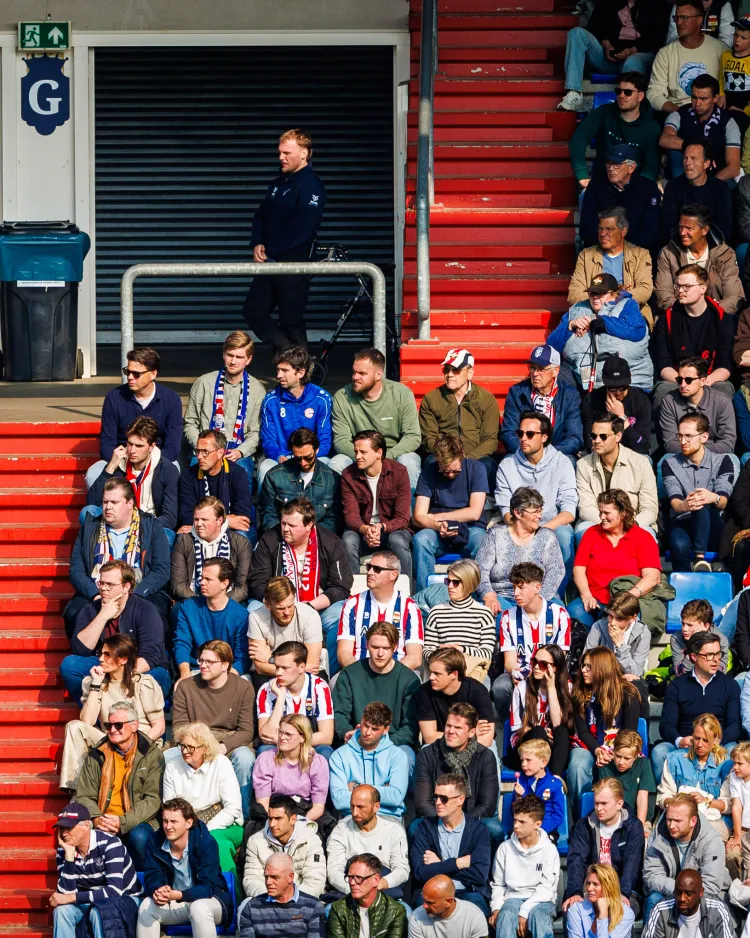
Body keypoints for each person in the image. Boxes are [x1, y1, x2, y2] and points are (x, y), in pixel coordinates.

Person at [241, 129, 326, 353]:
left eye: (287, 152)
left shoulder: (311, 186)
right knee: (253, 311)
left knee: (291, 322)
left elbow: (303, 230)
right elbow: (260, 216)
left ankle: (301, 373)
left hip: (294, 264)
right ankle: (292, 356)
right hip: (270, 263)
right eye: (280, 152)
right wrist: (257, 242)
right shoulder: (278, 184)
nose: (281, 157)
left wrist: (273, 251)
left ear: (304, 154)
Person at [65, 478, 171, 638]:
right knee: (74, 611)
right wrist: (96, 593)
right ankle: (88, 655)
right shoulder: (89, 528)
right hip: (99, 590)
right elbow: (76, 571)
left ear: (130, 503)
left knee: (155, 610)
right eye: (105, 501)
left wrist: (137, 595)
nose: (107, 507)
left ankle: (148, 658)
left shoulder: (151, 526)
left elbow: (161, 570)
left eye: (114, 502)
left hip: (139, 590)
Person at [60, 634, 165, 791]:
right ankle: (75, 790)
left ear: (123, 659)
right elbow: (86, 722)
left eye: (107, 654)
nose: (101, 659)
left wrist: (137, 746)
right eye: (101, 654)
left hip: (139, 741)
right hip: (110, 738)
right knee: (74, 726)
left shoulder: (143, 683)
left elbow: (159, 726)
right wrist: (96, 684)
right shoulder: (93, 682)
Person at [248, 496, 352, 650]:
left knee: (339, 616)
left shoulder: (330, 542)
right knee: (252, 610)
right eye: (283, 523)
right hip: (278, 604)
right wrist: (280, 604)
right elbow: (257, 581)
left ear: (309, 525)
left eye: (291, 525)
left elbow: (341, 586)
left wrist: (310, 606)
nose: (285, 529)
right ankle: (261, 667)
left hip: (317, 605)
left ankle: (333, 672)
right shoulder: (270, 539)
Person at [62, 559, 170, 702]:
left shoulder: (146, 610)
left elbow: (149, 658)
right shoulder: (90, 610)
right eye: (101, 583)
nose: (104, 588)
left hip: (137, 667)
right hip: (105, 664)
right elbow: (80, 649)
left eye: (110, 584)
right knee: (69, 666)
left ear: (126, 587)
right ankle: (95, 716)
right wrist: (102, 616)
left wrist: (117, 675)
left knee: (156, 678)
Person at [171, 639, 256, 822]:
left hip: (228, 740)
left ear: (225, 665)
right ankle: (174, 816)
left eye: (210, 662)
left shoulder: (243, 688)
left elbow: (246, 730)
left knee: (244, 758)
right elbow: (179, 727)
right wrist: (199, 745)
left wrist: (223, 747)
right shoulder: (186, 687)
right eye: (201, 661)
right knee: (167, 757)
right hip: (193, 740)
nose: (203, 666)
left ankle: (242, 817)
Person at [74, 699, 163, 870]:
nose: (112, 730)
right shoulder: (97, 753)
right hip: (103, 817)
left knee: (139, 837)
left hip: (139, 819)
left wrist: (123, 822)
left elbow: (153, 799)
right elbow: (84, 795)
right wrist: (97, 818)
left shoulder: (151, 754)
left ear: (135, 725)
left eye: (119, 725)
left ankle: (146, 883)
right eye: (108, 725)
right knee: (74, 831)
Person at [496, 411, 578, 581]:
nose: (523, 438)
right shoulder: (507, 465)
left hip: (552, 525)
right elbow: (505, 508)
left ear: (544, 437)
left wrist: (543, 529)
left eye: (530, 434)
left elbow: (569, 511)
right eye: (520, 434)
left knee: (565, 535)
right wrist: (523, 528)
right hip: (518, 524)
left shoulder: (562, 462)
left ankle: (560, 593)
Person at [87, 346, 182, 488]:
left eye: (136, 374)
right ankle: (101, 510)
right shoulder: (114, 397)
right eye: (127, 372)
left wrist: (148, 464)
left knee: (174, 469)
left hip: (156, 461)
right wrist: (127, 465)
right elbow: (107, 444)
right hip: (122, 462)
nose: (130, 377)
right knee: (93, 473)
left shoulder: (171, 400)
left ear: (153, 374)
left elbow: (173, 446)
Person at [138, 797, 233, 938]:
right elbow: (152, 875)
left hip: (211, 901)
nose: (168, 826)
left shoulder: (205, 842)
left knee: (198, 907)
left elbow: (208, 887)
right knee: (146, 905)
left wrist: (180, 895)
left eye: (173, 821)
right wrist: (158, 890)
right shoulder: (154, 841)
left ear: (188, 823)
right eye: (165, 821)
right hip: (175, 902)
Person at [652, 631, 741, 780]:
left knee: (732, 751)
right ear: (694, 657)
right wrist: (680, 741)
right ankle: (667, 801)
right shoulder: (676, 686)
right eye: (709, 655)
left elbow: (734, 725)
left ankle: (723, 801)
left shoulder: (730, 685)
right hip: (686, 745)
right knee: (659, 752)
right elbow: (666, 725)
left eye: (718, 654)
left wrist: (716, 743)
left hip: (718, 745)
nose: (716, 660)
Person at [330, 347, 422, 488]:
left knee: (409, 461)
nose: (355, 377)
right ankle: (342, 510)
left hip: (393, 452)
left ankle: (410, 509)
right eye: (354, 372)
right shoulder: (342, 397)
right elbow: (341, 440)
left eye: (362, 373)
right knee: (337, 463)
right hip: (358, 454)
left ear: (378, 374)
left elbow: (412, 436)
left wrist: (383, 457)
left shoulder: (402, 394)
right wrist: (365, 457)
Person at [491, 561, 571, 722]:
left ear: (537, 588)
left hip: (550, 672)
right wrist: (524, 675)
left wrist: (539, 675)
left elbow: (559, 658)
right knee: (500, 687)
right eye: (514, 587)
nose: (516, 593)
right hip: (520, 673)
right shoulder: (508, 617)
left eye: (521, 587)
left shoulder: (559, 614)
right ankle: (511, 727)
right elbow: (509, 662)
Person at [653, 264, 738, 415]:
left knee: (724, 389)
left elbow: (725, 366)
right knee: (663, 391)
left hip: (710, 378)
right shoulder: (666, 319)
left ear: (703, 288)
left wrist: (701, 383)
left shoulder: (722, 319)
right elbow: (663, 365)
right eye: (677, 286)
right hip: (677, 379)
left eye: (686, 287)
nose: (680, 291)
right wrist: (685, 382)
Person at [413, 704, 501, 849]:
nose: (451, 731)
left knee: (494, 830)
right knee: (414, 829)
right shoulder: (427, 754)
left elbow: (487, 806)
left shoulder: (485, 756)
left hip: (473, 817)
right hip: (436, 817)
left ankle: (487, 871)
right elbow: (422, 804)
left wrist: (459, 823)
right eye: (448, 726)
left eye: (458, 728)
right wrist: (446, 822)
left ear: (472, 732)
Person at [570, 489, 661, 628]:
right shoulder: (591, 534)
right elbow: (579, 569)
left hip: (627, 598)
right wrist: (586, 595)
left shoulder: (642, 537)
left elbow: (652, 577)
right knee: (574, 612)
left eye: (607, 513)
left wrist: (627, 598)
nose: (601, 517)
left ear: (623, 513)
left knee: (627, 619)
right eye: (600, 512)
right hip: (595, 599)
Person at [547, 273, 653, 392]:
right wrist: (570, 325)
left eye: (600, 293)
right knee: (555, 374)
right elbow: (551, 346)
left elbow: (637, 330)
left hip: (626, 382)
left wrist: (602, 321)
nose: (595, 297)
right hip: (583, 381)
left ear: (613, 293)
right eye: (592, 293)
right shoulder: (577, 310)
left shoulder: (627, 305)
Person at [49, 801, 141, 938]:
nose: (64, 833)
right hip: (89, 901)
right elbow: (65, 895)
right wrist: (69, 857)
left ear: (86, 825)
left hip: (127, 899)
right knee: (61, 911)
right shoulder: (63, 850)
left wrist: (71, 897)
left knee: (99, 910)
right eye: (61, 828)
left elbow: (114, 891)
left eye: (69, 828)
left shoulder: (110, 844)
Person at [411, 434, 490, 592]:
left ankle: (480, 594)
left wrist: (437, 517)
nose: (450, 474)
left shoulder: (476, 469)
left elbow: (474, 513)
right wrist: (436, 525)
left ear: (462, 456)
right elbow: (418, 516)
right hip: (438, 530)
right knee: (421, 540)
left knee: (482, 541)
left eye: (455, 470)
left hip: (470, 528)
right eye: (445, 471)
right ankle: (425, 596)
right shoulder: (429, 472)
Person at [333, 621, 421, 761]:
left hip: (394, 745)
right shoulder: (350, 674)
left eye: (385, 648)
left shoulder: (409, 680)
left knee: (406, 756)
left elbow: (410, 726)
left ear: (395, 647)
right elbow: (339, 713)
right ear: (367, 645)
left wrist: (384, 743)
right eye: (375, 647)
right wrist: (347, 733)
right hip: (356, 741)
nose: (380, 653)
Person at [183, 330, 264, 480]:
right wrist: (204, 448)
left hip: (237, 452)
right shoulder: (204, 382)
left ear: (248, 359)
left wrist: (240, 452)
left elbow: (256, 432)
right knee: (194, 477)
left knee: (243, 473)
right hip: (204, 450)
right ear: (223, 354)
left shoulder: (257, 389)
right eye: (230, 355)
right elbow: (190, 422)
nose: (233, 361)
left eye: (239, 357)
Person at [163, 722, 244, 873]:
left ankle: (229, 892)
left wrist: (204, 830)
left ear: (205, 748)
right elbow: (170, 807)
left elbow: (233, 809)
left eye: (190, 747)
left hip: (225, 824)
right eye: (182, 746)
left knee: (215, 843)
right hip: (186, 825)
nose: (185, 751)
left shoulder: (221, 764)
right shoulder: (173, 767)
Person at [568, 647, 642, 810]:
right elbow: (583, 732)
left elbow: (629, 733)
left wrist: (613, 752)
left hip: (619, 748)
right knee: (578, 765)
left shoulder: (628, 694)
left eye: (589, 667)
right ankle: (579, 813)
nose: (583, 670)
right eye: (583, 666)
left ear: (602, 668)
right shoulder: (579, 694)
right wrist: (597, 750)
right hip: (589, 747)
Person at [409, 773, 492, 914]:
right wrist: (457, 863)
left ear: (460, 799)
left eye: (444, 799)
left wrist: (439, 864)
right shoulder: (424, 828)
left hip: (467, 891)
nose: (437, 803)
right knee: (420, 908)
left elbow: (479, 875)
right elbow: (420, 873)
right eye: (435, 797)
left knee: (478, 908)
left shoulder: (478, 830)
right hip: (433, 892)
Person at [662, 412, 736, 571]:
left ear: (704, 437)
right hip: (683, 521)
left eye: (688, 436)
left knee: (702, 502)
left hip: (713, 524)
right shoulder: (670, 464)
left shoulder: (723, 461)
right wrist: (686, 504)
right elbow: (675, 502)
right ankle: (686, 584)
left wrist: (712, 497)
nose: (683, 441)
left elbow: (723, 501)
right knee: (678, 544)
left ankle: (699, 558)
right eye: (680, 436)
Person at [476, 486, 565, 615]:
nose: (539, 516)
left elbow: (556, 571)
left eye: (540, 511)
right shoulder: (496, 535)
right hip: (502, 597)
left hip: (538, 597)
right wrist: (489, 596)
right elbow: (480, 570)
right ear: (518, 513)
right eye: (535, 512)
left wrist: (538, 599)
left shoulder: (547, 537)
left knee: (555, 615)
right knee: (502, 617)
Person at [86, 415, 179, 538]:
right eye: (130, 443)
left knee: (167, 536)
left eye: (139, 446)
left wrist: (138, 526)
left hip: (150, 526)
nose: (132, 450)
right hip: (117, 524)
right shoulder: (118, 464)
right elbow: (92, 502)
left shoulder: (167, 470)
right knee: (86, 513)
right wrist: (110, 468)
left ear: (152, 446)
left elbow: (170, 518)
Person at [563, 778, 645, 915]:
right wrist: (575, 892)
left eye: (604, 803)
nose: (599, 809)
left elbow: (632, 864)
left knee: (622, 910)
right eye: (596, 803)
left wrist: (622, 893)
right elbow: (576, 860)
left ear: (619, 804)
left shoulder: (633, 827)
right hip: (590, 888)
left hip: (623, 890)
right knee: (571, 909)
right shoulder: (584, 826)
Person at [643, 796, 731, 923]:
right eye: (669, 819)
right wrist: (680, 891)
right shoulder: (658, 835)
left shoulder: (711, 841)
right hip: (669, 893)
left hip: (702, 897)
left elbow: (711, 886)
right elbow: (651, 876)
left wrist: (685, 893)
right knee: (654, 898)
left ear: (693, 821)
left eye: (677, 821)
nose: (671, 825)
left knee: (710, 906)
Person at [335, 549, 423, 675]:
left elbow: (415, 657)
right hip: (360, 673)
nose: (370, 572)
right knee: (334, 683)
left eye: (377, 569)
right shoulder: (352, 604)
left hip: (397, 673)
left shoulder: (410, 608)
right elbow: (344, 652)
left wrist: (389, 676)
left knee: (416, 682)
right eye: (369, 567)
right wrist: (362, 675)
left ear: (393, 574)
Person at [418, 347, 500, 482]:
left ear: (470, 373)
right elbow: (429, 439)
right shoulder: (431, 399)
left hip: (476, 456)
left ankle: (488, 502)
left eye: (455, 370)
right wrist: (448, 457)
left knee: (488, 466)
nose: (449, 374)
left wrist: (469, 458)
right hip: (442, 456)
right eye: (446, 370)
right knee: (430, 463)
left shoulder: (486, 399)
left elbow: (490, 440)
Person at [340, 429, 413, 578]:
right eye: (356, 451)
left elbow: (403, 517)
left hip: (391, 531)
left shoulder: (399, 472)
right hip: (363, 532)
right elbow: (350, 515)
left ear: (379, 453)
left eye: (363, 452)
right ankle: (350, 593)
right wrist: (366, 529)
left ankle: (406, 592)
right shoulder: (348, 475)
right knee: (348, 540)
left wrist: (382, 527)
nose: (357, 456)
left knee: (398, 539)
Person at [575, 412, 658, 540]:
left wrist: (628, 525)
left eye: (603, 436)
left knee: (647, 533)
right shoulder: (583, 465)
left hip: (633, 523)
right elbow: (586, 507)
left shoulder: (640, 463)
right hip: (597, 521)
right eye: (593, 436)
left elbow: (650, 509)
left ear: (618, 436)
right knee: (583, 530)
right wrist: (610, 523)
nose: (597, 441)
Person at [489, 793, 561, 938]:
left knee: (538, 915)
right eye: (515, 820)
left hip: (542, 899)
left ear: (537, 824)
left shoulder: (549, 849)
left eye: (522, 822)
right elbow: (498, 884)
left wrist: (524, 911)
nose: (516, 825)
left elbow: (547, 889)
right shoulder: (505, 848)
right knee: (506, 914)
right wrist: (496, 907)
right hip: (513, 897)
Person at [569, 73, 662, 184]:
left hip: (635, 188)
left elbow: (650, 170)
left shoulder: (652, 127)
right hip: (602, 183)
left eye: (628, 92)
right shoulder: (603, 112)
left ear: (640, 96)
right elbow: (578, 139)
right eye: (619, 91)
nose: (622, 96)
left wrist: (638, 191)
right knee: (585, 197)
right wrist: (582, 176)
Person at [257, 346, 333, 481]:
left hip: (312, 457)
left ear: (301, 373)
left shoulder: (322, 399)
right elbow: (268, 439)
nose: (279, 375)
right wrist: (279, 457)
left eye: (285, 370)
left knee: (328, 465)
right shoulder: (271, 400)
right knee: (265, 468)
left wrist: (308, 457)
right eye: (278, 370)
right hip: (281, 457)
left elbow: (325, 439)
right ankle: (267, 503)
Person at [569, 209, 654, 326]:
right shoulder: (586, 256)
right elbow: (574, 293)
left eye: (609, 229)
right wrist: (611, 296)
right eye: (600, 229)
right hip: (593, 313)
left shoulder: (640, 255)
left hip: (629, 313)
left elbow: (644, 290)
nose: (603, 234)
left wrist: (615, 300)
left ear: (623, 231)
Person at [656, 713, 732, 841]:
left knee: (704, 837)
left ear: (716, 740)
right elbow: (662, 798)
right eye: (697, 738)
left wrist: (706, 800)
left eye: (705, 740)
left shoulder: (726, 764)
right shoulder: (675, 759)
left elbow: (729, 805)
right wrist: (680, 801)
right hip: (679, 818)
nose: (699, 744)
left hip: (714, 820)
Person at [646, 0, 729, 115]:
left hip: (712, 114)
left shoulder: (721, 50)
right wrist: (680, 112)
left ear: (699, 20)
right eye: (677, 18)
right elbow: (654, 93)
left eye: (684, 18)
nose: (679, 23)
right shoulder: (665, 53)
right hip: (677, 114)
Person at [326, 784, 410, 897]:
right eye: (352, 806)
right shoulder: (341, 829)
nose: (355, 812)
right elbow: (334, 872)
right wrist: (355, 888)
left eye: (360, 807)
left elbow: (402, 870)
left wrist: (381, 884)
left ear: (376, 807)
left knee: (407, 913)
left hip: (384, 894)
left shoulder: (394, 830)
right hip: (350, 893)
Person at [501, 344, 584, 457]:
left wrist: (547, 454)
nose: (535, 374)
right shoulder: (516, 392)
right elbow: (508, 433)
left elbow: (574, 437)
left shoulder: (570, 395)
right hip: (524, 452)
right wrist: (528, 452)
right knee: (508, 462)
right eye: (532, 367)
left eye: (541, 369)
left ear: (555, 371)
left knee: (570, 462)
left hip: (556, 454)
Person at [505, 644, 575, 778]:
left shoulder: (568, 688)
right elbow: (518, 729)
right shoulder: (522, 687)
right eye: (534, 662)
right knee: (538, 731)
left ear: (555, 667)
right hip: (526, 747)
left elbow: (557, 724)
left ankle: (555, 779)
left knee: (561, 731)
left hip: (554, 748)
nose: (536, 667)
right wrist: (543, 735)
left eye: (543, 664)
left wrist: (551, 687)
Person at [329, 702, 409, 821]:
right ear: (361, 721)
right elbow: (339, 800)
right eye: (366, 725)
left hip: (388, 818)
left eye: (375, 729)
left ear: (386, 729)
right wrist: (383, 790)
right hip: (352, 817)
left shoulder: (397, 756)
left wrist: (357, 787)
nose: (367, 732)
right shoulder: (339, 755)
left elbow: (396, 796)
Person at [256, 640, 334, 759]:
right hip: (279, 745)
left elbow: (327, 736)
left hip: (306, 743)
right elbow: (266, 736)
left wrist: (293, 742)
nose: (278, 673)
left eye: (285, 668)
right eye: (277, 667)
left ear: (301, 667)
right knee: (265, 752)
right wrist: (280, 698)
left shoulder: (319, 687)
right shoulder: (266, 690)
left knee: (325, 752)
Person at [173, 557, 250, 679]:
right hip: (197, 669)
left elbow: (243, 656)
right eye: (202, 578)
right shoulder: (189, 607)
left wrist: (225, 678)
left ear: (224, 583)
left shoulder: (241, 616)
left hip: (228, 672)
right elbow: (182, 643)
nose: (202, 582)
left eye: (208, 579)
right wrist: (184, 674)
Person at [655, 215, 744, 315]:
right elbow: (664, 296)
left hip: (717, 318)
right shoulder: (668, 253)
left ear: (704, 230)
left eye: (689, 228)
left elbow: (734, 297)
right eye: (681, 227)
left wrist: (706, 315)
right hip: (678, 317)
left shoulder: (725, 254)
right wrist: (689, 314)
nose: (682, 232)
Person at [242, 793, 326, 899]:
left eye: (278, 819)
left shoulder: (311, 840)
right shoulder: (255, 841)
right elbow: (251, 881)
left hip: (301, 903)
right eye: (270, 818)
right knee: (245, 905)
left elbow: (315, 882)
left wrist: (291, 899)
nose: (272, 824)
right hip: (267, 902)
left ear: (292, 819)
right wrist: (271, 899)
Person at [170, 497, 251, 605]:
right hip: (192, 600)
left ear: (219, 520)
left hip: (229, 601)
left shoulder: (241, 543)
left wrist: (219, 602)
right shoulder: (184, 542)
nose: (198, 524)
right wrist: (200, 602)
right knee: (177, 611)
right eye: (196, 519)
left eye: (204, 520)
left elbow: (242, 588)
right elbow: (178, 585)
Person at [423, 559, 496, 680]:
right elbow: (427, 650)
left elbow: (487, 653)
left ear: (469, 583)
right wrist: (442, 652)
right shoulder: (436, 612)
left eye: (455, 582)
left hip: (472, 672)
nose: (450, 586)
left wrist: (460, 650)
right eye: (448, 581)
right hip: (442, 671)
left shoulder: (484, 614)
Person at [579, 145, 661, 251]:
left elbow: (651, 230)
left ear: (631, 167)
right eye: (608, 163)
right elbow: (587, 228)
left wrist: (625, 250)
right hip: (602, 250)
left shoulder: (648, 188)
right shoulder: (596, 187)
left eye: (616, 164)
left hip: (637, 252)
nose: (611, 168)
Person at [659, 75, 741, 180]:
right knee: (674, 154)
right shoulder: (679, 114)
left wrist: (708, 186)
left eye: (703, 98)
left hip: (716, 177)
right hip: (684, 176)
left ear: (715, 98)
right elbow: (664, 139)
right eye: (694, 97)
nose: (697, 103)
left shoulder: (728, 123)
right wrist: (690, 145)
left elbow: (733, 167)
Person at [258, 427, 339, 533]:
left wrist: (309, 536)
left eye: (308, 457)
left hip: (318, 540)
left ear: (317, 449)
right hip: (283, 537)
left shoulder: (332, 479)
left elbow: (333, 520)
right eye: (297, 458)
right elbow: (268, 516)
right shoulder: (274, 476)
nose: (303, 463)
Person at [247, 576, 323, 688]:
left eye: (290, 605)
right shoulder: (256, 617)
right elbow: (259, 667)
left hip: (303, 675)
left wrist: (270, 659)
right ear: (268, 605)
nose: (287, 612)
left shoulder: (310, 616)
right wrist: (296, 670)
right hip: (272, 676)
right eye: (280, 608)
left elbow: (311, 666)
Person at [251, 713, 329, 823]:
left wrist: (299, 824)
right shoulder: (266, 759)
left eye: (288, 734)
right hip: (273, 814)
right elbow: (263, 804)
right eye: (280, 732)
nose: (282, 737)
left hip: (304, 813)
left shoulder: (317, 763)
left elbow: (318, 807)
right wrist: (280, 823)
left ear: (302, 737)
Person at [177, 428, 253, 534]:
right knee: (184, 535)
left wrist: (206, 521)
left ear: (220, 453)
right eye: (197, 451)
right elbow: (186, 516)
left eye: (205, 452)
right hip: (201, 529)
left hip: (229, 530)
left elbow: (242, 517)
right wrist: (225, 520)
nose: (199, 456)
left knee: (241, 534)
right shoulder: (188, 475)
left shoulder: (238, 474)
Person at [417, 648, 495, 750]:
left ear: (454, 674)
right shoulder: (425, 692)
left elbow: (486, 739)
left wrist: (454, 739)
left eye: (437, 673)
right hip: (442, 744)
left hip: (474, 745)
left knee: (490, 753)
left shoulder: (478, 691)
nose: (431, 677)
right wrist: (467, 736)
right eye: (431, 672)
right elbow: (429, 738)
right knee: (426, 749)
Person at [660, 142, 734, 243]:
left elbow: (724, 229)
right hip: (681, 245)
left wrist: (701, 246)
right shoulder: (673, 187)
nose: (688, 163)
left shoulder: (721, 189)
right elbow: (667, 227)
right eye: (685, 158)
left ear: (706, 163)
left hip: (712, 248)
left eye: (693, 158)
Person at [660, 357, 737, 454]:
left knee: (733, 461)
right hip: (681, 456)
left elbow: (727, 443)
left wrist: (698, 452)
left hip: (715, 456)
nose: (683, 385)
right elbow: (670, 443)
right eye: (679, 380)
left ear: (703, 381)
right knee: (664, 461)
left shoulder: (722, 401)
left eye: (688, 380)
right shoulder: (669, 401)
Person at [237, 854, 326, 938]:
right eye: (266, 877)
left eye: (274, 877)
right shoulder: (251, 908)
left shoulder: (313, 907)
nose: (268, 882)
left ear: (290, 877)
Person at [327, 852, 408, 938]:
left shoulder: (395, 912)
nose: (352, 882)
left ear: (375, 880)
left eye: (358, 878)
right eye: (350, 877)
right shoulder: (338, 910)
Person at [581, 359, 652, 456]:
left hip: (632, 453)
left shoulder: (641, 401)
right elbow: (590, 441)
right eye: (612, 388)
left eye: (623, 387)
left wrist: (622, 418)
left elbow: (643, 447)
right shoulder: (591, 400)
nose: (618, 392)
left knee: (645, 460)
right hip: (601, 453)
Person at [584, 594, 652, 694]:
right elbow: (586, 660)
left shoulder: (643, 633)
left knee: (638, 686)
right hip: (600, 680)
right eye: (611, 616)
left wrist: (620, 645)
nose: (612, 623)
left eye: (619, 619)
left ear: (633, 618)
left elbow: (635, 673)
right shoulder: (598, 626)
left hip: (626, 684)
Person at [643, 869, 734, 938]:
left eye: (688, 893)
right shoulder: (662, 910)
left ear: (701, 892)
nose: (682, 898)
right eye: (678, 893)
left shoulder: (716, 909)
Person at [510, 738, 566, 836]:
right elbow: (513, 812)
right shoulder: (521, 781)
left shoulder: (555, 784)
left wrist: (539, 830)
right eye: (522, 760)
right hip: (523, 829)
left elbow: (557, 816)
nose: (523, 764)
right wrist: (518, 798)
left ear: (543, 762)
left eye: (528, 760)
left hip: (547, 831)